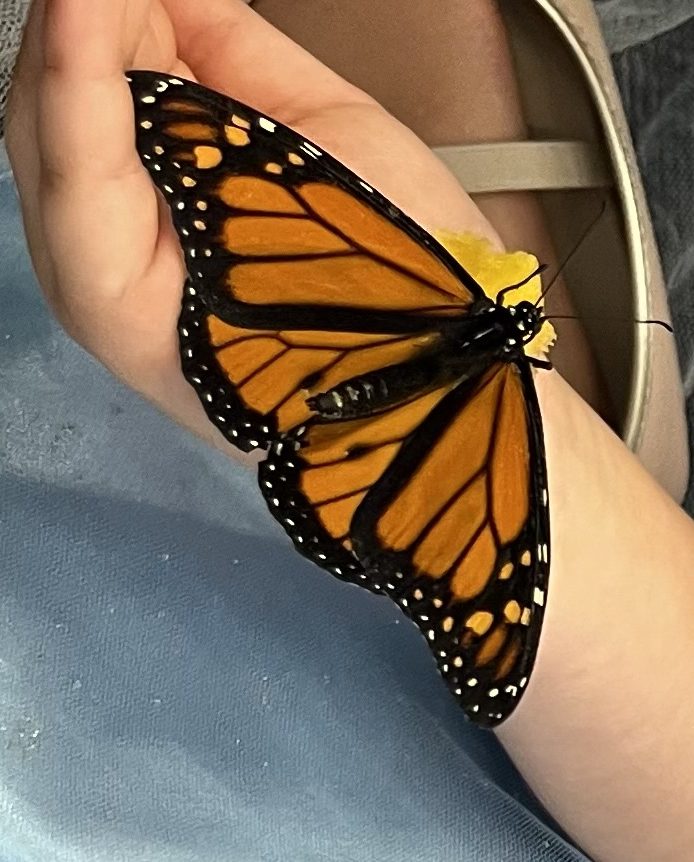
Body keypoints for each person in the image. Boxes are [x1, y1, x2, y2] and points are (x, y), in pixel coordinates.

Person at [4, 1, 694, 860]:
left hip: (311, 362)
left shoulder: (474, 350)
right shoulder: (507, 401)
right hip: (397, 478)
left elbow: (485, 581)